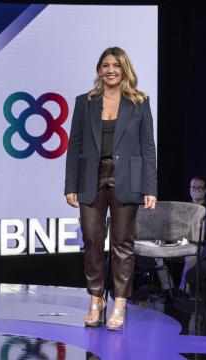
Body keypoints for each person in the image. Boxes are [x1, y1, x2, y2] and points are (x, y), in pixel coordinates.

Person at [64, 47, 157, 331]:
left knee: (122, 244)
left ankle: (119, 302)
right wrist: (71, 184)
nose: (110, 70)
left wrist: (149, 187)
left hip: (127, 178)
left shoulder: (140, 102)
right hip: (92, 177)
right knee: (92, 240)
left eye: (116, 65)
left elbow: (147, 147)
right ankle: (96, 299)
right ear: (99, 70)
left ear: (124, 68)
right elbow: (75, 145)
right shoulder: (85, 102)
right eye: (105, 65)